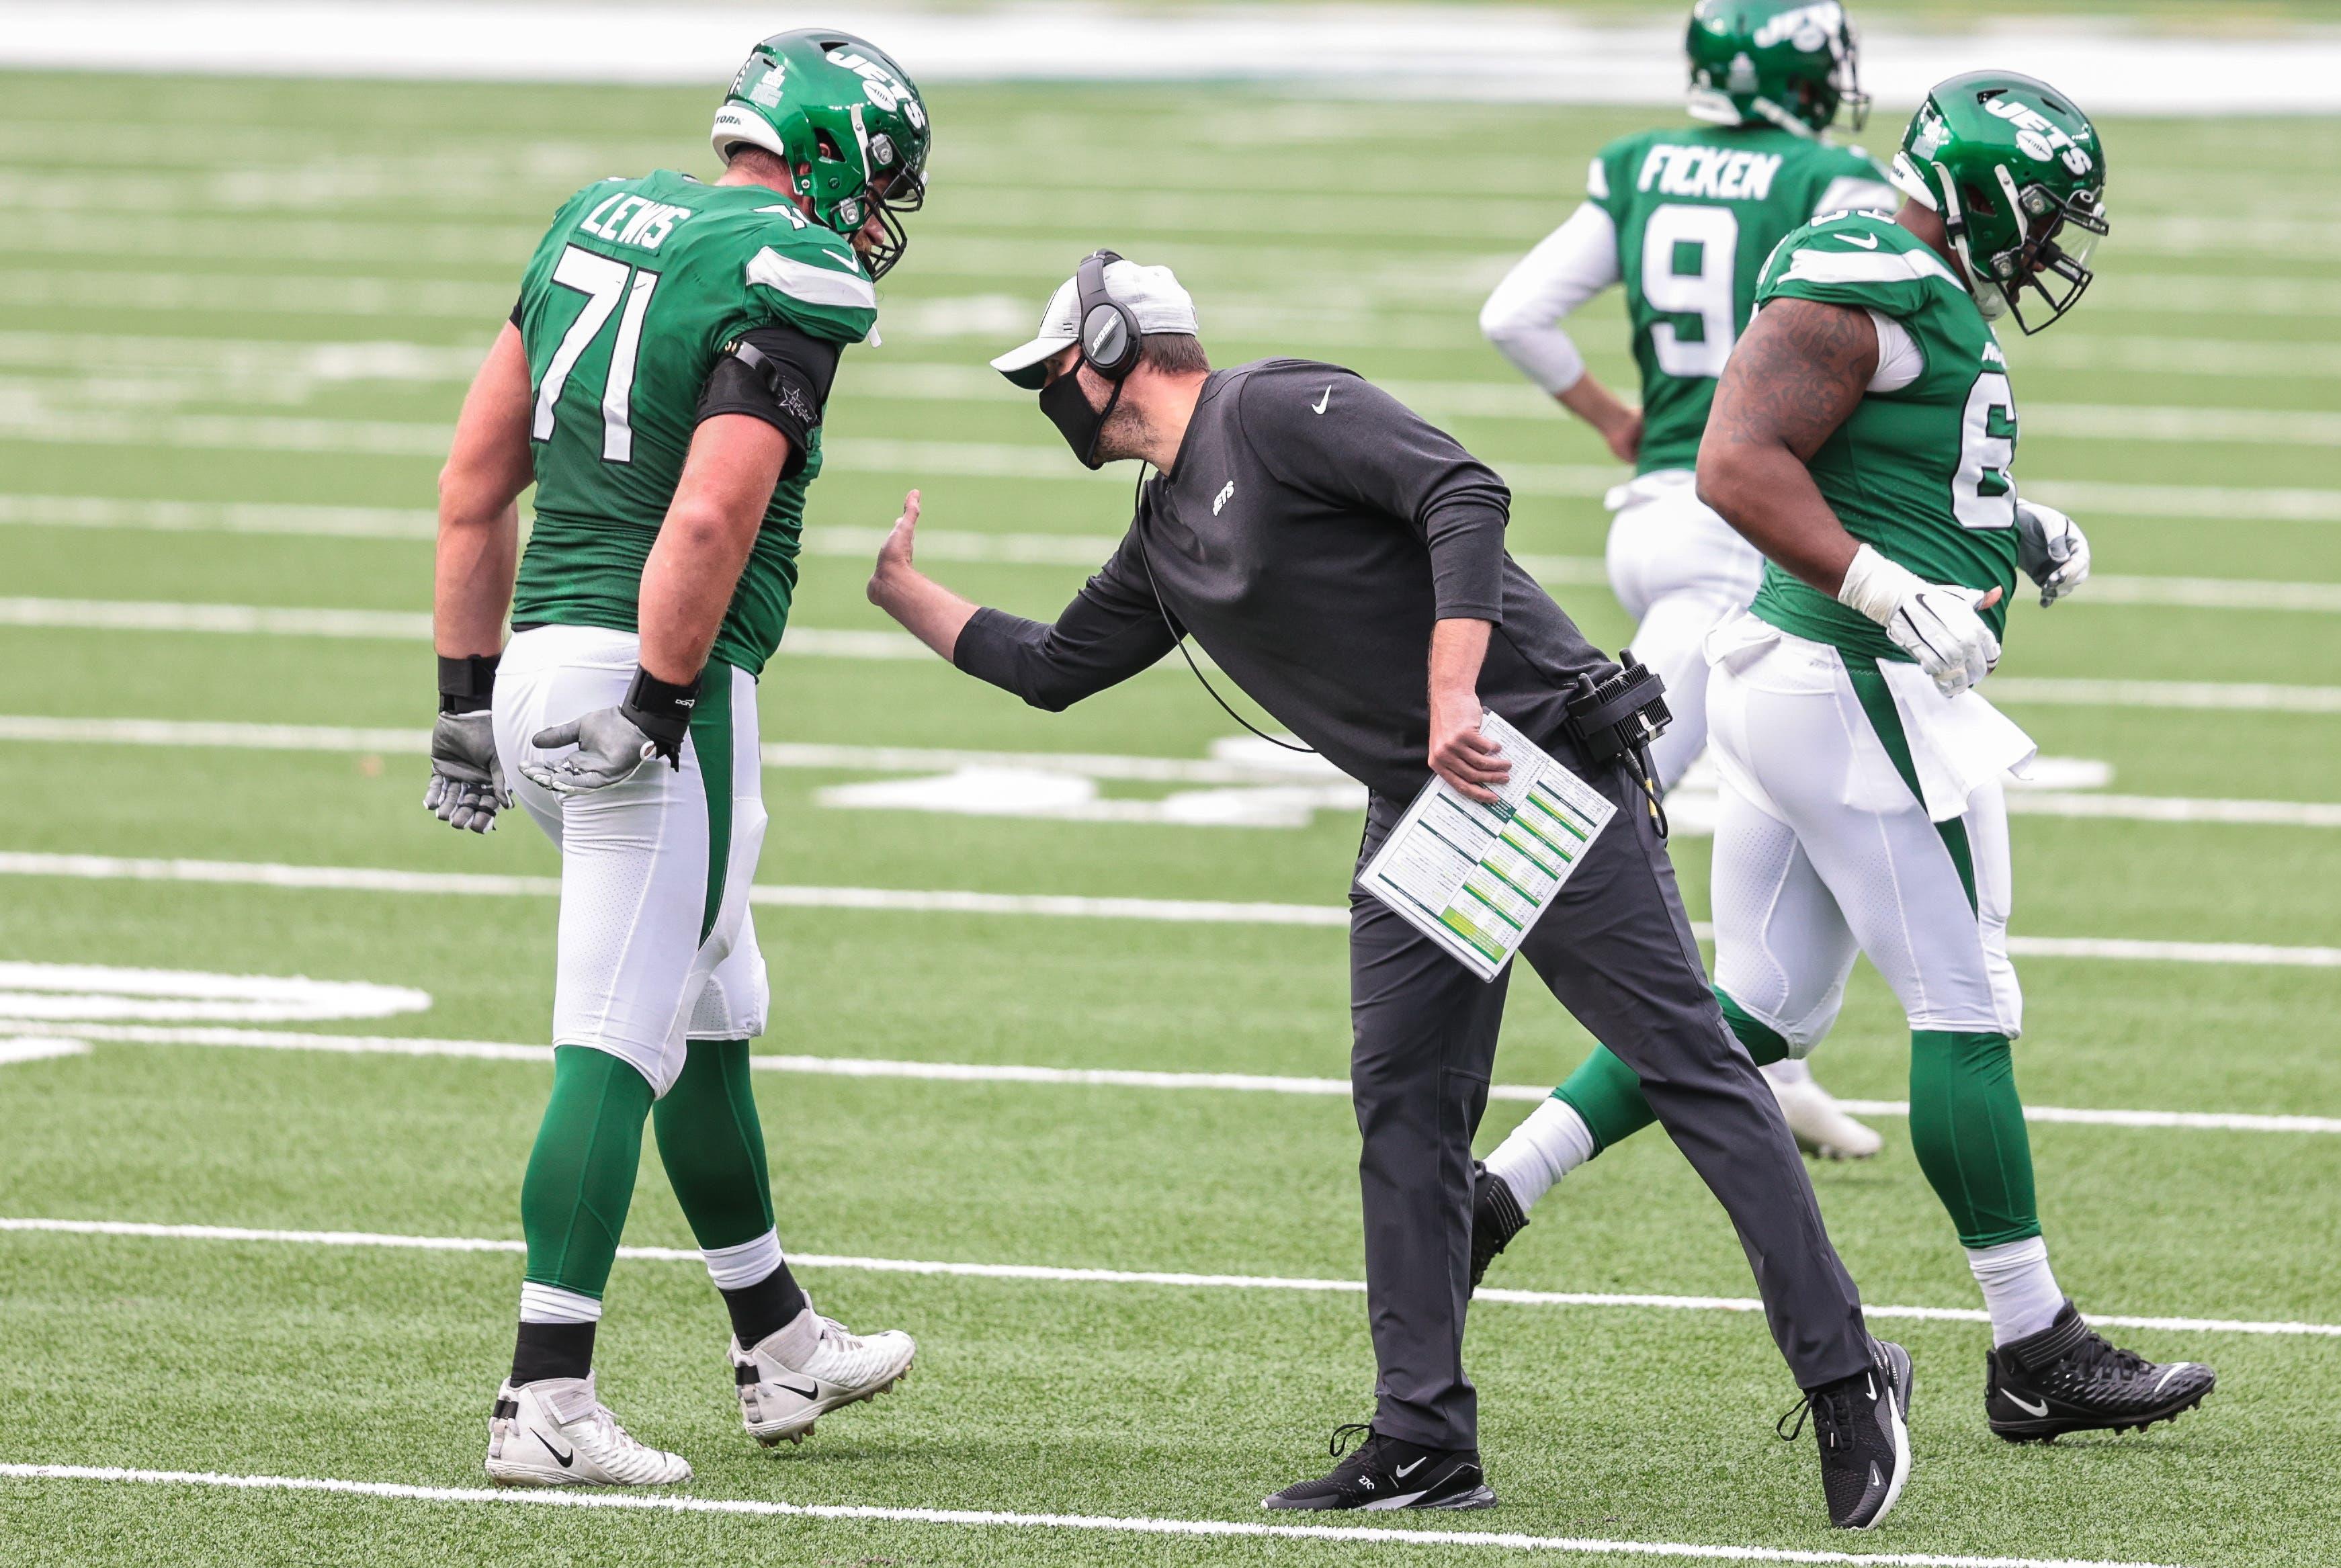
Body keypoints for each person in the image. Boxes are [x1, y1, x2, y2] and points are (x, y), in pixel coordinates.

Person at [865, 252, 1914, 1528]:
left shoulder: (1271, 405)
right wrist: (904, 593)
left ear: (1109, 345)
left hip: (1533, 760)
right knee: (1405, 1111)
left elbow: (1463, 491)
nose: (1047, 395)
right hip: (1421, 813)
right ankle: (1423, 1434)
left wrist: (1449, 687)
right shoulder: (1161, 528)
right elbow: (1049, 668)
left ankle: (1847, 1372)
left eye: (1052, 371)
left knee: (1687, 1063)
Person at [1485, 70, 2217, 1444]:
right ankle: (2032, 1345)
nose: (2051, 244)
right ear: (1990, 190)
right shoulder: (1854, 275)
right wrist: (1885, 588)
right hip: (1849, 677)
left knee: (1758, 1010)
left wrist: (2009, 529)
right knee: (1966, 1000)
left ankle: (1498, 1190)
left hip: (1800, 678)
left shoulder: (1902, 275)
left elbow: (1882, 459)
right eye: (2048, 215)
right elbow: (1736, 463)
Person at [424, 29, 931, 1487]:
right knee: (618, 1034)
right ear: (829, 156)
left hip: (529, 672)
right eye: (877, 180)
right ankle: (546, 1403)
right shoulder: (786, 271)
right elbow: (705, 523)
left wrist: (463, 705)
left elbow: (471, 489)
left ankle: (777, 1343)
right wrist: (661, 699)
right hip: (652, 689)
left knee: (710, 998)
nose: (875, 218)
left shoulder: (597, 216)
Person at [1479, 0, 1895, 1170]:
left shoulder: (1640, 164)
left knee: (1790, 777)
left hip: (1662, 505)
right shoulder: (1826, 179)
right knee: (1590, 791)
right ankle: (1428, 943)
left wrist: (1613, 415)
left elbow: (1514, 313)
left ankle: (1782, 1057)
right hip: (1740, 533)